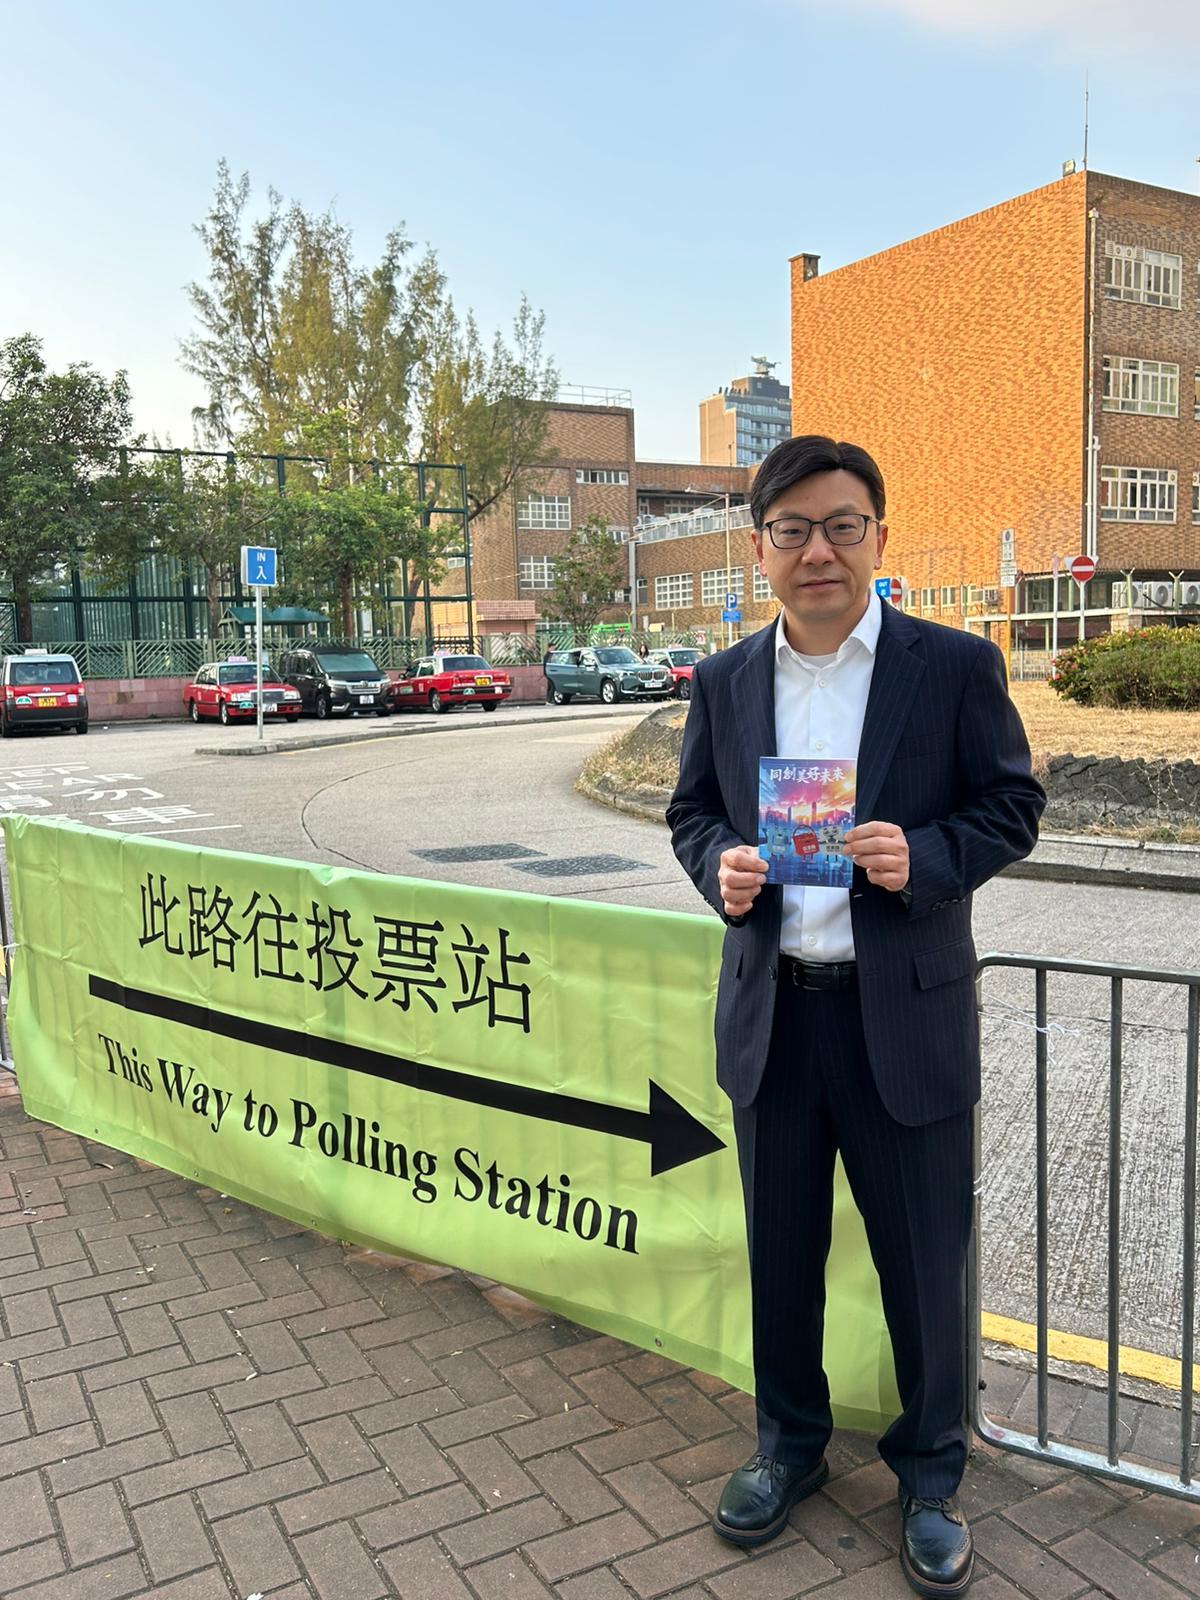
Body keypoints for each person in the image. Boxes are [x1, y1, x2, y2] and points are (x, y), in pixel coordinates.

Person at [667, 436, 1044, 1599]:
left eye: (841, 525)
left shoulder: (954, 666)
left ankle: (930, 1477)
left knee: (923, 1265)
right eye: (792, 530)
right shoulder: (727, 679)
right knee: (779, 1253)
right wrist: (721, 866)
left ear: (879, 533)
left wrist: (926, 855)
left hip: (903, 1023)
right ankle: (789, 1444)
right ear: (760, 548)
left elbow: (1012, 805)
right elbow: (691, 813)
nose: (817, 550)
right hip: (775, 1018)